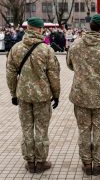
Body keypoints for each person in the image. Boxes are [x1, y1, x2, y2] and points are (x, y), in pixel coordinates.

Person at [67, 14, 100, 176]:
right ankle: (98, 164)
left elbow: (70, 65)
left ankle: (86, 163)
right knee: (99, 131)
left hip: (80, 96)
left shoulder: (76, 45)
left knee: (84, 130)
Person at [6, 17, 60, 173]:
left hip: (23, 95)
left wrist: (13, 93)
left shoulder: (15, 48)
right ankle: (41, 162)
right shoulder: (46, 49)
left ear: (28, 28)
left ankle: (30, 161)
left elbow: (10, 74)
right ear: (40, 29)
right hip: (42, 96)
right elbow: (54, 76)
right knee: (41, 129)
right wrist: (56, 95)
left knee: (27, 128)